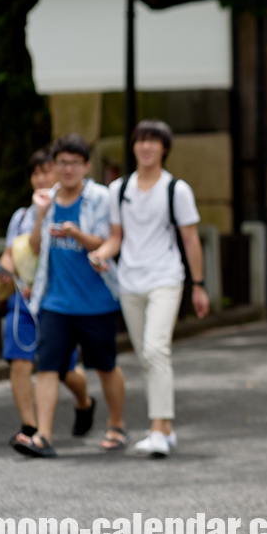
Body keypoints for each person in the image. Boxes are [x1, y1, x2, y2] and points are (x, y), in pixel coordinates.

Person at [89, 120, 209, 459]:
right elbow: (116, 237)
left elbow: (190, 239)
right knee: (146, 355)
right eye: (140, 140)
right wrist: (101, 253)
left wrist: (198, 285)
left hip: (166, 278)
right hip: (129, 280)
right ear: (133, 146)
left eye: (153, 141)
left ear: (164, 148)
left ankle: (158, 429)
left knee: (156, 350)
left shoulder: (177, 190)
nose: (146, 146)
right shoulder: (118, 190)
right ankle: (165, 431)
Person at [12, 134, 127, 458]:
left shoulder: (100, 198)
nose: (68, 168)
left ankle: (116, 424)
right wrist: (39, 215)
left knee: (105, 366)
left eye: (75, 162)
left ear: (86, 165)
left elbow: (108, 240)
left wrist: (76, 233)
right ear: (54, 165)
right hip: (54, 301)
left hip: (96, 300)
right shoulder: (46, 199)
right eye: (62, 162)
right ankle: (43, 436)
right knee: (47, 367)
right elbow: (34, 248)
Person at [0, 148, 94, 449]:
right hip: (23, 301)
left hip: (55, 301)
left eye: (45, 172)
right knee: (19, 359)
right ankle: (31, 426)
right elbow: (11, 252)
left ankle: (84, 400)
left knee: (63, 369)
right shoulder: (21, 216)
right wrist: (6, 271)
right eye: (35, 173)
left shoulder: (65, 209)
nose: (40, 178)